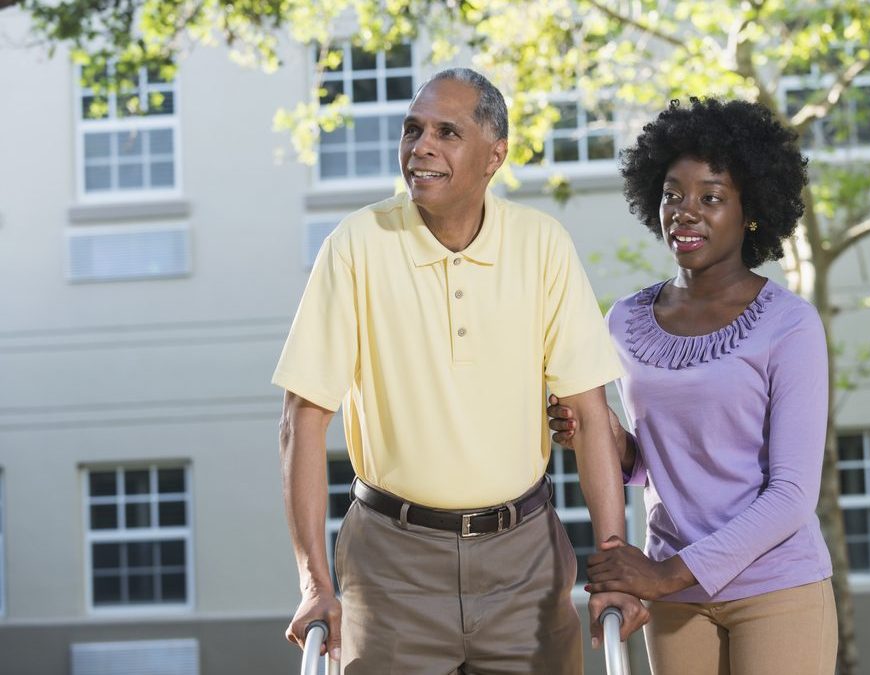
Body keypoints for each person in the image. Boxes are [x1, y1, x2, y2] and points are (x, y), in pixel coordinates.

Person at [273, 67, 648, 674]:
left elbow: (588, 409)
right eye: (413, 130)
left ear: (493, 155)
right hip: (392, 564)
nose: (421, 146)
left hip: (525, 563)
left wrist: (611, 560)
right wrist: (315, 581)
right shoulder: (356, 245)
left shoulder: (542, 244)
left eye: (447, 132)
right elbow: (303, 419)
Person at [547, 97, 836, 675]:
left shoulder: (790, 324)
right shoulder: (625, 320)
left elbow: (792, 495)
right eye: (672, 195)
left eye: (711, 197)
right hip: (677, 597)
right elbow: (651, 459)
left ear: (750, 209)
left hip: (775, 583)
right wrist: (594, 431)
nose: (685, 212)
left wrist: (661, 574)